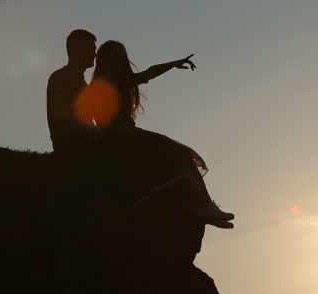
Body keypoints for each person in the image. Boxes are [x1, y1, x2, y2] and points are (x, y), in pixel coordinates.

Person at [87, 40, 235, 228]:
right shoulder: (96, 87)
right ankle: (205, 207)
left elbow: (150, 72)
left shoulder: (124, 81)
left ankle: (206, 208)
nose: (120, 59)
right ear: (103, 58)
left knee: (183, 157)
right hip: (120, 137)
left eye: (122, 56)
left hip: (131, 134)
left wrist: (173, 64)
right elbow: (88, 117)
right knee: (176, 154)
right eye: (115, 54)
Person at [46, 29, 97, 152]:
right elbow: (59, 112)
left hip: (84, 139)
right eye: (90, 49)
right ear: (75, 51)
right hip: (68, 142)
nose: (94, 54)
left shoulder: (85, 85)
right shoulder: (60, 77)